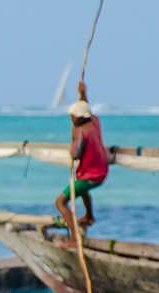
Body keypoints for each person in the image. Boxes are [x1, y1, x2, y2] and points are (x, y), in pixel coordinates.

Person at [54, 81, 108, 230]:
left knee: (60, 202)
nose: (71, 118)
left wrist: (73, 147)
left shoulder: (82, 132)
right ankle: (89, 217)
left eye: (73, 116)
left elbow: (76, 155)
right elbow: (86, 107)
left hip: (91, 176)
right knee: (82, 190)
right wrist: (83, 94)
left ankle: (73, 235)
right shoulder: (95, 121)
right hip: (101, 171)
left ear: (79, 118)